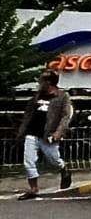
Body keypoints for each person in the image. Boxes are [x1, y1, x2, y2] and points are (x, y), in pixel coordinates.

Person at [13, 70, 73, 199]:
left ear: (49, 82)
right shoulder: (37, 96)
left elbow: (66, 116)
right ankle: (33, 189)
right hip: (32, 133)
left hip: (49, 135)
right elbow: (28, 115)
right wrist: (21, 132)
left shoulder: (62, 96)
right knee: (28, 161)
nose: (39, 84)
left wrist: (58, 132)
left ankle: (63, 168)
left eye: (42, 81)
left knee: (54, 160)